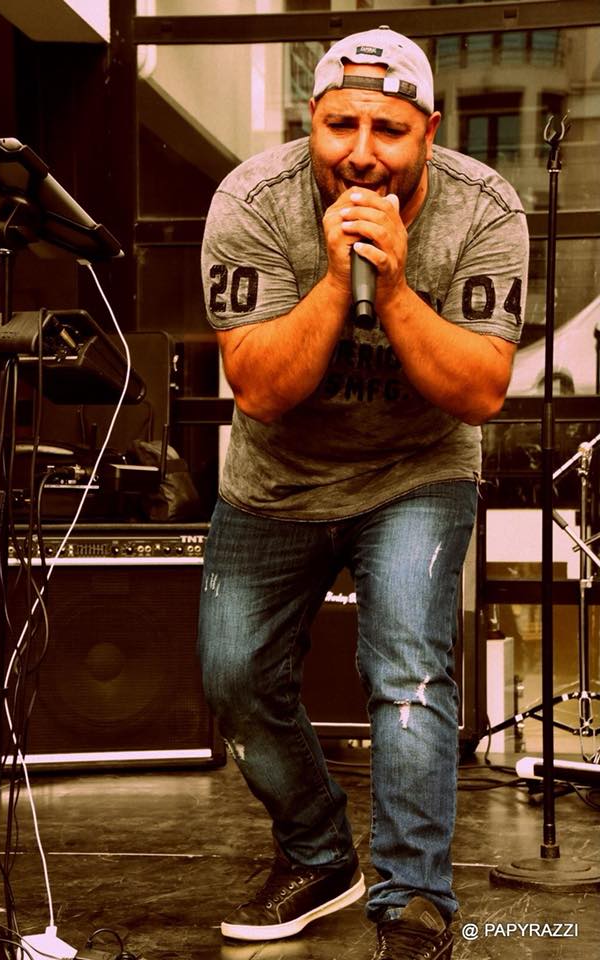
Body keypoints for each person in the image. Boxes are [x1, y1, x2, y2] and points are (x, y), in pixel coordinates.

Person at [198, 25, 528, 960]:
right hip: (276, 479)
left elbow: (480, 391)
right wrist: (339, 276)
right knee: (232, 677)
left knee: (409, 677)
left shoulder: (485, 209)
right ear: (312, 120)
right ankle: (317, 852)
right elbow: (259, 388)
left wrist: (393, 289)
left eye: (388, 129)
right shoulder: (251, 201)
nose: (362, 153)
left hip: (417, 471)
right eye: (341, 125)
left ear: (430, 130)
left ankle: (413, 899)